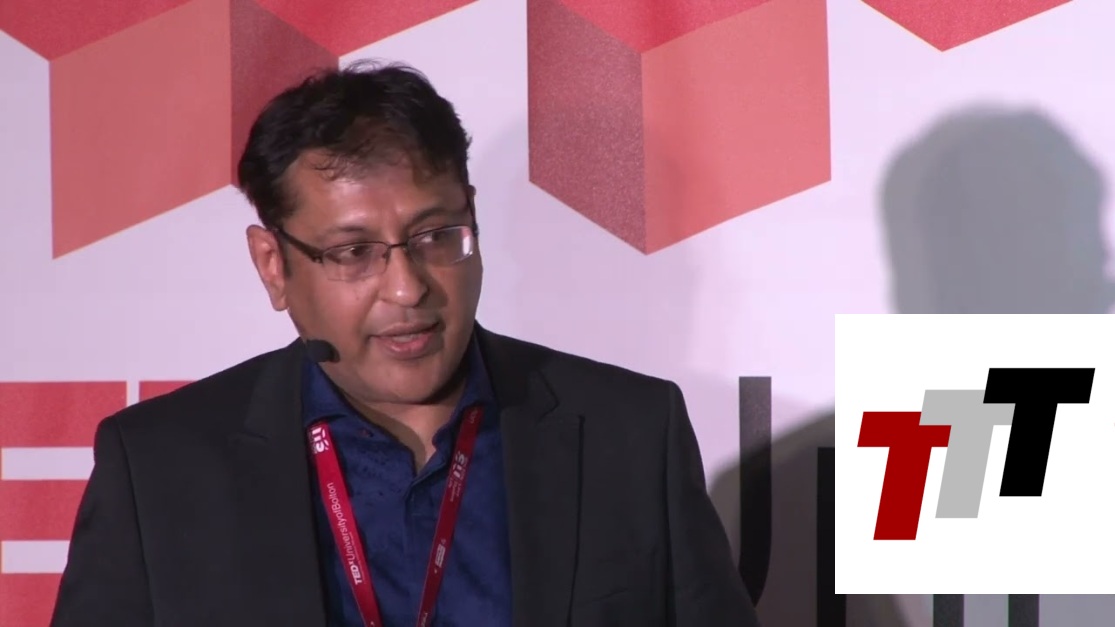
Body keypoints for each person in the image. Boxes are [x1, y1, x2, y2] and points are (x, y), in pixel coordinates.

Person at [49, 61, 760, 627]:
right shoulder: (160, 468)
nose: (407, 287)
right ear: (273, 265)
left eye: (434, 236)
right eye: (354, 252)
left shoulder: (627, 433)